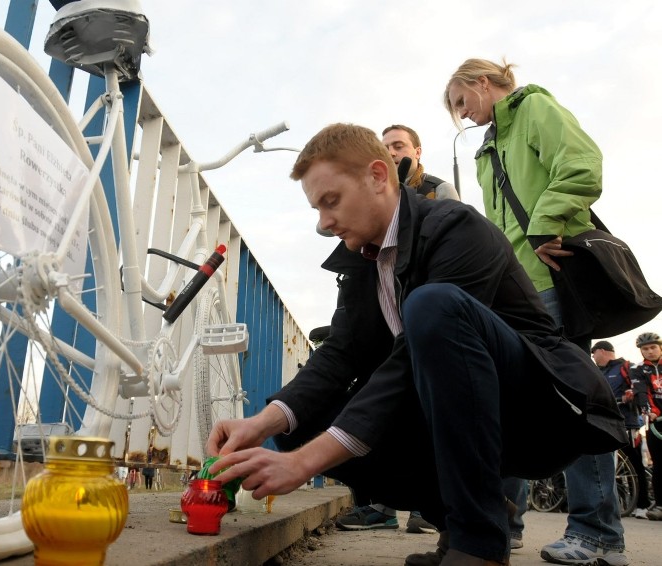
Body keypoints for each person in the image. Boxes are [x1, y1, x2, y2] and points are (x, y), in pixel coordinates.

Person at [206, 123, 625, 566]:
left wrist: (308, 463)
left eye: (331, 201)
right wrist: (263, 423)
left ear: (377, 176)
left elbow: (411, 357)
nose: (324, 223)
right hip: (448, 407)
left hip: (536, 408)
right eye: (317, 209)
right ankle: (462, 518)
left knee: (433, 305)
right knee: (299, 423)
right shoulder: (361, 260)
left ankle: (478, 544)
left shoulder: (455, 227)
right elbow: (338, 353)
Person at [444, 58, 628, 566]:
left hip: (549, 280)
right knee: (508, 401)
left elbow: (582, 163)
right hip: (513, 288)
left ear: (482, 82)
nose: (463, 115)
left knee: (575, 401)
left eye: (462, 102)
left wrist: (543, 226)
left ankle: (599, 534)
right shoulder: (487, 147)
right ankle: (502, 526)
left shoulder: (535, 110)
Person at [332, 124, 457, 536]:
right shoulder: (368, 200)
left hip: (423, 309)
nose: (392, 152)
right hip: (386, 308)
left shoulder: (438, 193)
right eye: (385, 147)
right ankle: (381, 504)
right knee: (377, 392)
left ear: (418, 151)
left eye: (399, 146)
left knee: (429, 404)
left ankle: (433, 504)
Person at [592, 340, 652, 518]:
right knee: (615, 469)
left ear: (602, 351)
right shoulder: (598, 372)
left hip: (627, 424)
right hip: (604, 425)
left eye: (594, 353)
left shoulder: (627, 367)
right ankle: (624, 504)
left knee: (634, 466)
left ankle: (642, 505)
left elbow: (640, 390)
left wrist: (631, 396)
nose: (593, 358)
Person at [630, 332, 662, 521]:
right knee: (659, 464)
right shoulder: (638, 369)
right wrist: (650, 411)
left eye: (653, 347)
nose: (649, 351)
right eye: (645, 349)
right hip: (656, 422)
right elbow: (642, 392)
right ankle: (659, 504)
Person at [382, 124, 460, 201]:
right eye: (385, 149)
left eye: (398, 146)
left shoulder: (441, 190)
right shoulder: (376, 193)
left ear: (417, 153)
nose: (390, 153)